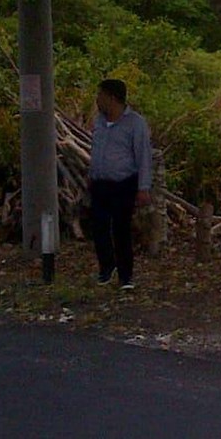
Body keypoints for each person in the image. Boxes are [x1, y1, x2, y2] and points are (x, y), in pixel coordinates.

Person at [87, 78, 152, 290]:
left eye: (100, 95)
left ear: (112, 98)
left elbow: (143, 156)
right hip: (100, 182)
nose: (97, 100)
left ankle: (126, 276)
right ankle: (106, 267)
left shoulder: (135, 123)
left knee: (121, 229)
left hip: (123, 183)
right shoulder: (99, 122)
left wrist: (143, 187)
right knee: (99, 227)